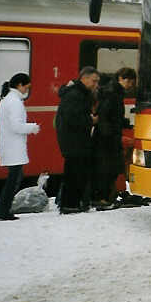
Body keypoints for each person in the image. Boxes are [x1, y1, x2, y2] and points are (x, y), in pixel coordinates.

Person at [0, 73, 40, 221]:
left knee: (14, 178)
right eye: (27, 86)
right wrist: (32, 127)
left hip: (9, 144)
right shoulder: (14, 102)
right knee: (13, 179)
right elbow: (16, 126)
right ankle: (2, 211)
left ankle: (2, 209)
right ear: (20, 85)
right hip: (13, 145)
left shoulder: (8, 99)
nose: (27, 89)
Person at [55, 66, 100, 214]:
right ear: (84, 78)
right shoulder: (75, 95)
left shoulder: (76, 92)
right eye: (94, 81)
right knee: (74, 173)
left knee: (75, 172)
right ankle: (69, 204)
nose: (96, 85)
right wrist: (90, 120)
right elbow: (73, 118)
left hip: (73, 140)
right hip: (74, 140)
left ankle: (72, 203)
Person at [91, 67, 136, 210]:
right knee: (109, 168)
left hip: (107, 136)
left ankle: (104, 197)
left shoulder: (113, 92)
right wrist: (110, 136)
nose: (131, 86)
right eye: (130, 82)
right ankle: (101, 199)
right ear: (123, 79)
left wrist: (125, 123)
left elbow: (112, 116)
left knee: (109, 167)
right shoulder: (113, 94)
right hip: (108, 138)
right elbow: (106, 116)